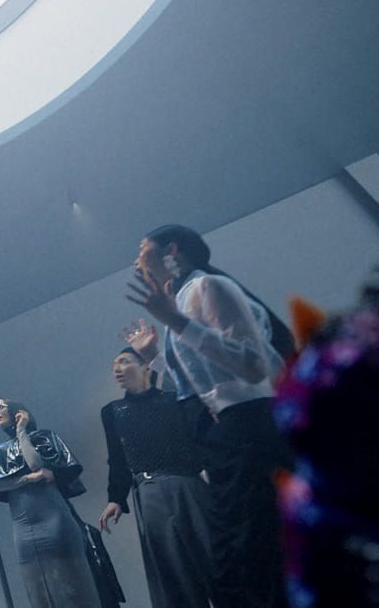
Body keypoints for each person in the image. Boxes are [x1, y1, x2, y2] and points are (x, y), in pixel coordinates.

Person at [126, 224, 292, 607]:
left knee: (254, 559)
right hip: (220, 444)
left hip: (248, 435)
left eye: (142, 249)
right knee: (237, 564)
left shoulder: (209, 287)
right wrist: (154, 356)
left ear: (171, 250)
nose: (136, 261)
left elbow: (253, 365)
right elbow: (200, 382)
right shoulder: (180, 300)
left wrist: (178, 323)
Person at [99, 348, 214, 608]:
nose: (117, 368)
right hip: (149, 492)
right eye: (114, 364)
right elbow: (117, 459)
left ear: (145, 366)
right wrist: (115, 498)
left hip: (189, 485)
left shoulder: (174, 400)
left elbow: (197, 440)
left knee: (214, 559)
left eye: (124, 361)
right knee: (172, 574)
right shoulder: (113, 411)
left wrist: (209, 470)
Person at [0, 401, 101, 608]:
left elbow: (35, 463)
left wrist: (21, 431)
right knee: (37, 591)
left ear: (17, 411)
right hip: (23, 531)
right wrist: (27, 479)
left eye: (0, 407)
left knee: (74, 589)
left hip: (55, 522)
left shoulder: (44, 437)